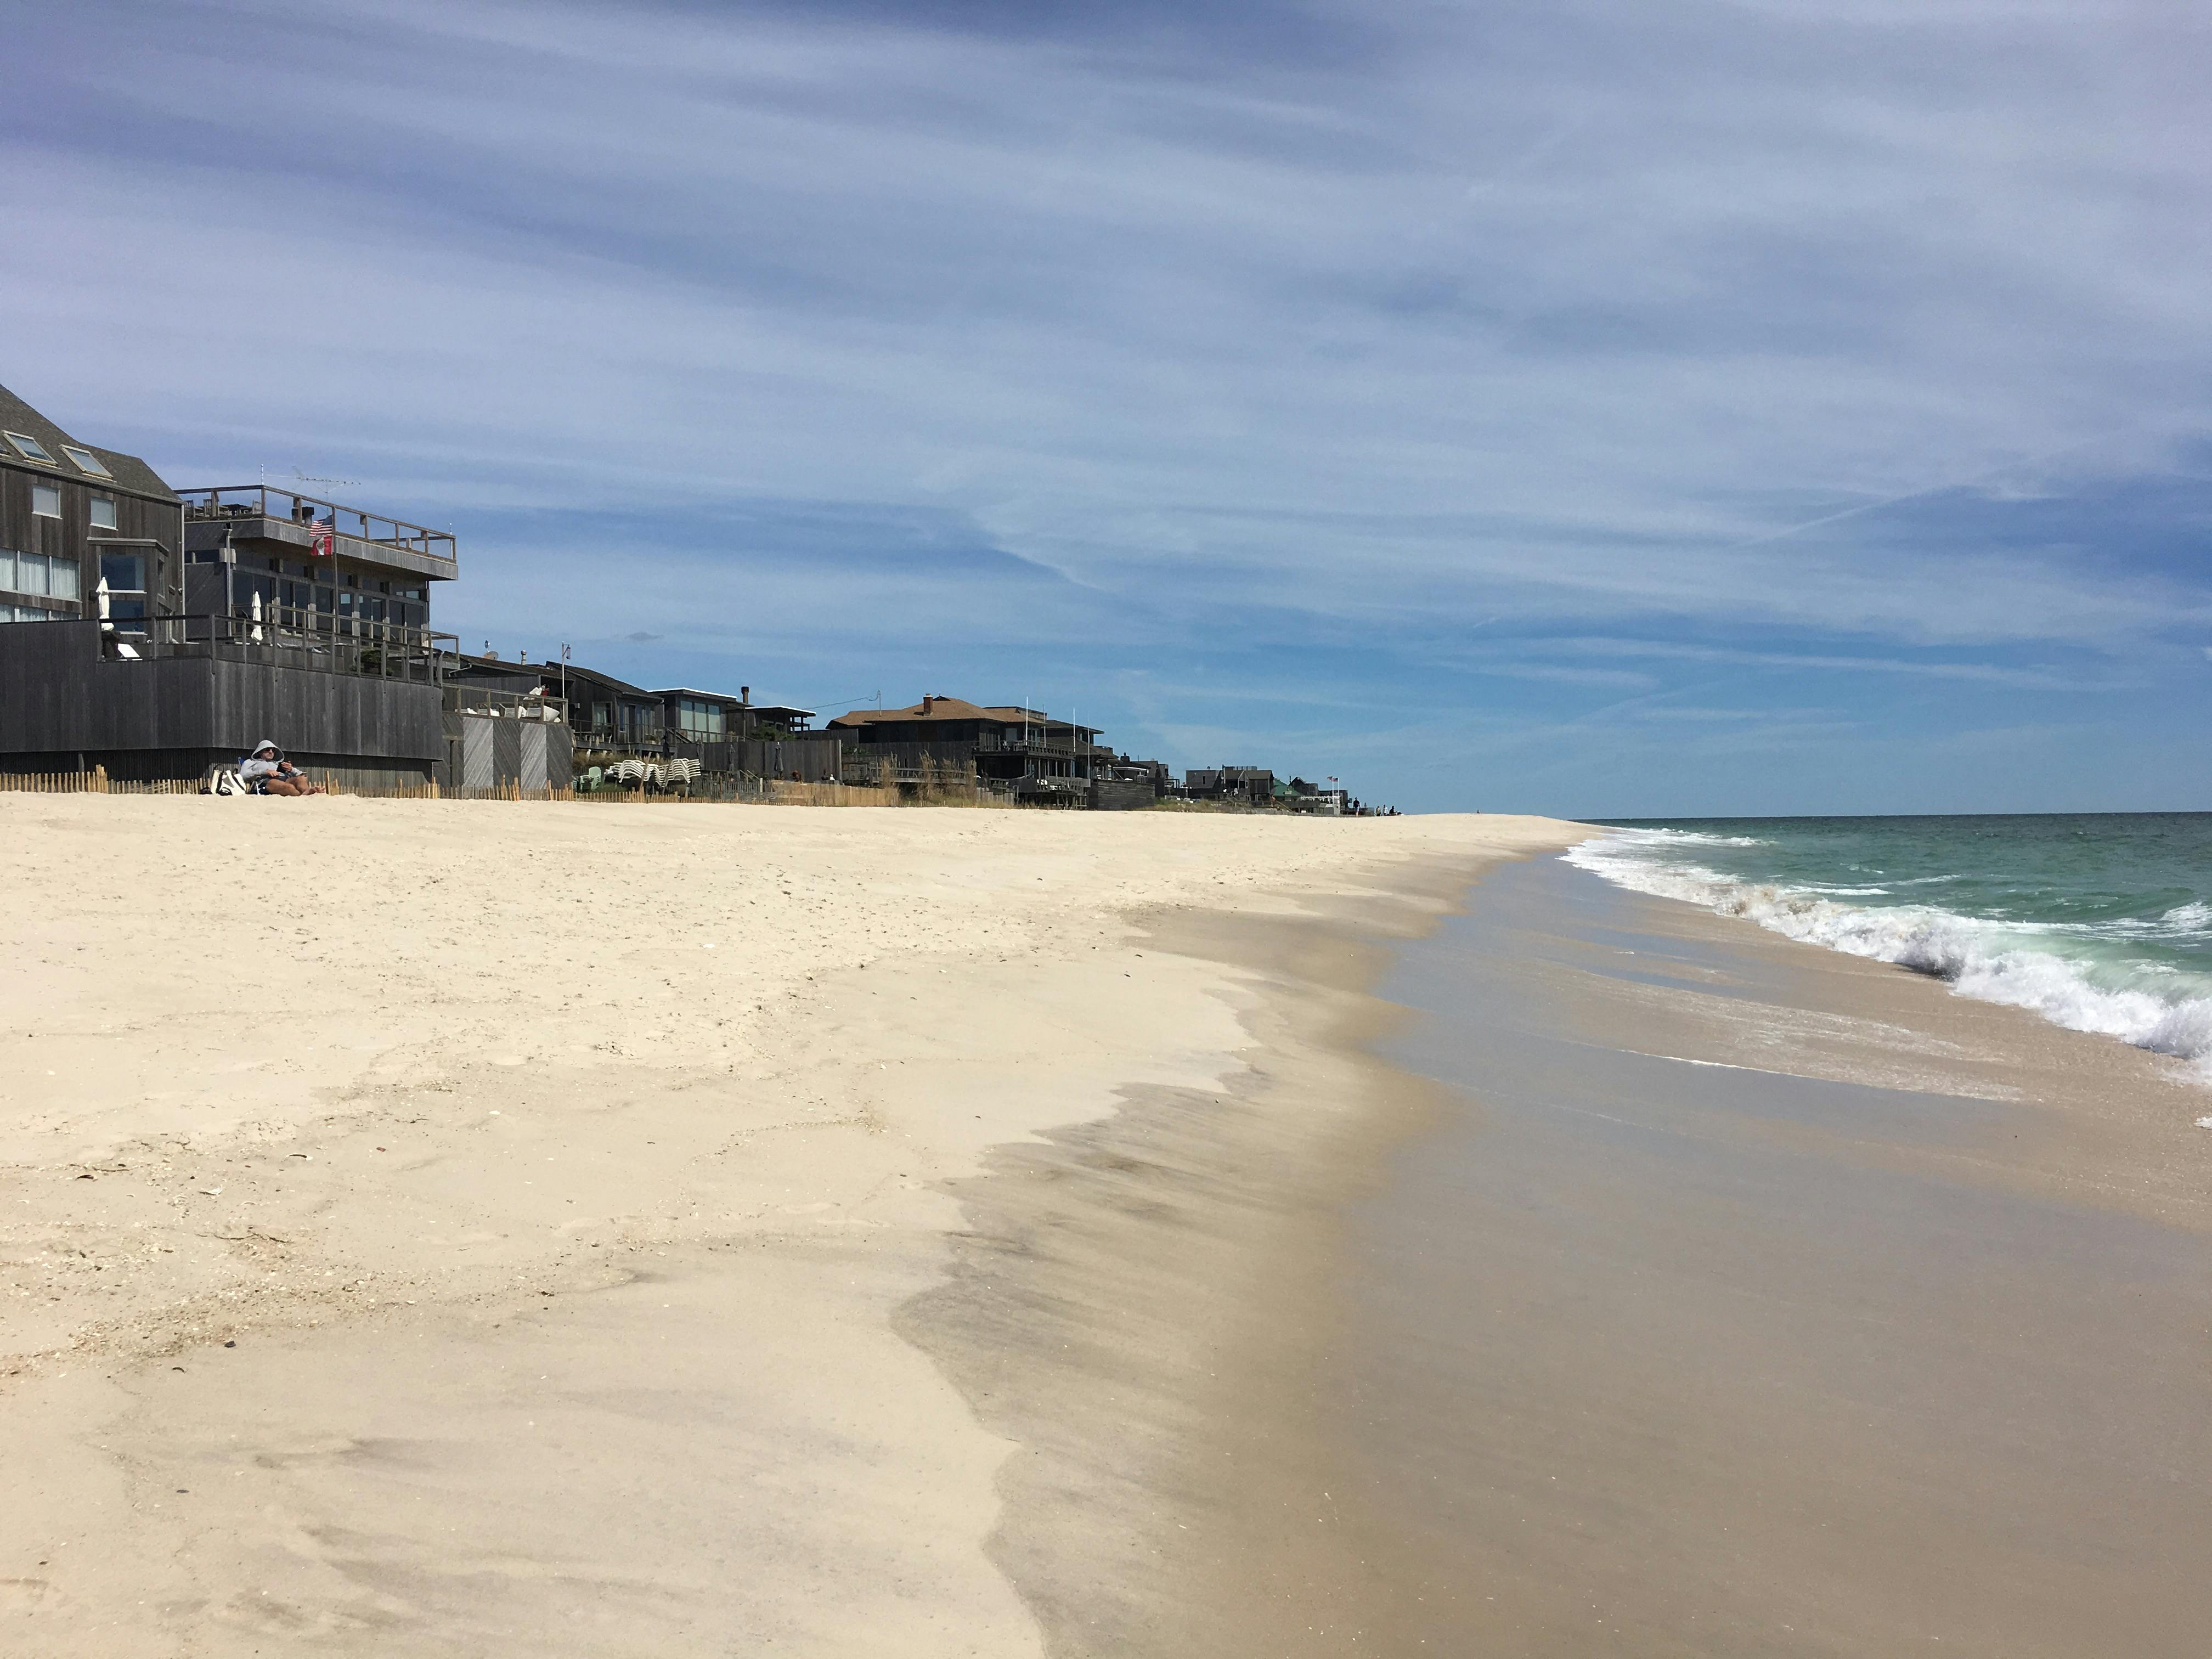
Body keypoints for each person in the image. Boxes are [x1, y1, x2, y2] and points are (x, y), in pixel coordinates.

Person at [240, 740, 323, 797]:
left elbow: (302, 775)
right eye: (267, 750)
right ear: (260, 751)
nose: (271, 752)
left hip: (284, 778)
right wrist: (264, 772)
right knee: (288, 787)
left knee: (301, 779)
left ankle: (307, 792)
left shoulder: (277, 763)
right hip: (265, 782)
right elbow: (242, 776)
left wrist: (291, 770)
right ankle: (308, 794)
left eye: (273, 750)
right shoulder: (250, 762)